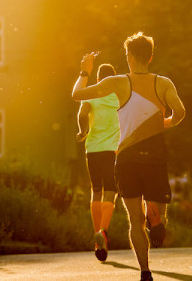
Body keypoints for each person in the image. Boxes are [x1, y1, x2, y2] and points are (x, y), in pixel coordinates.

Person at [72, 32, 186, 281]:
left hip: (126, 158)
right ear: (151, 57)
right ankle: (156, 217)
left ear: (129, 57)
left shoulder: (117, 82)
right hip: (155, 156)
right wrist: (166, 123)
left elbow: (77, 95)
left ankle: (145, 271)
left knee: (134, 220)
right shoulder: (164, 83)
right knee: (158, 209)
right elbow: (180, 111)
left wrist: (84, 71)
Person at [76, 63, 120, 262]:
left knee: (96, 190)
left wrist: (83, 130)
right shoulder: (119, 97)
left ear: (98, 80)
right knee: (111, 189)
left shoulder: (91, 95)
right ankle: (103, 231)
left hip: (92, 149)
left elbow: (83, 113)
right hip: (112, 150)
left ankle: (97, 238)